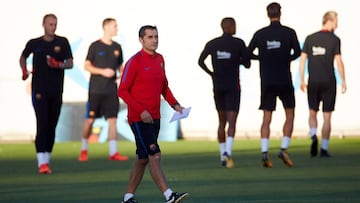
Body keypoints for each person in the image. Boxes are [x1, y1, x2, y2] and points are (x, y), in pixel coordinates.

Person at [118, 25, 188, 203]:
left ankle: (128, 197)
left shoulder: (160, 59)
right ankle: (169, 195)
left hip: (155, 117)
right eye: (150, 37)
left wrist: (175, 104)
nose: (154, 40)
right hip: (138, 119)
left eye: (156, 36)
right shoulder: (134, 62)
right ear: (141, 40)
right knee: (154, 155)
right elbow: (123, 91)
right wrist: (141, 111)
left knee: (142, 159)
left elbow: (164, 86)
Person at [247, 2, 301, 168]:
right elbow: (298, 52)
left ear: (267, 14)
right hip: (285, 78)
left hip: (267, 80)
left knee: (266, 117)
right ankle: (283, 148)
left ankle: (264, 152)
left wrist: (264, 57)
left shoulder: (260, 34)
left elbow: (248, 54)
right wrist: (285, 58)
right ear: (280, 13)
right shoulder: (289, 32)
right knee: (290, 114)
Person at [19, 13, 73, 174]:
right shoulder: (35, 43)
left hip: (56, 90)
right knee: (42, 123)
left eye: (55, 24)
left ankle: (46, 160)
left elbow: (70, 63)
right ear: (44, 25)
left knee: (52, 125)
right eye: (50, 24)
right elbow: (23, 57)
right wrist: (24, 70)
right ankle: (41, 162)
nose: (53, 27)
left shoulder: (62, 42)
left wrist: (59, 65)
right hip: (39, 90)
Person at [198, 17, 250, 168]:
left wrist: (211, 73)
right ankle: (228, 151)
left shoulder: (213, 43)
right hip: (233, 86)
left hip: (218, 85)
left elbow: (200, 61)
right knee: (232, 121)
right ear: (231, 26)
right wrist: (237, 59)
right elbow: (247, 63)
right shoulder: (238, 43)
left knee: (221, 121)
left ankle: (222, 155)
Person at [78, 18, 128, 162]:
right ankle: (83, 149)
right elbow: (87, 66)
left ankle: (113, 152)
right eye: (114, 25)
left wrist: (124, 76)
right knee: (90, 120)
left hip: (111, 90)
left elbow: (120, 67)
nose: (117, 28)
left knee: (113, 120)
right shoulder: (95, 46)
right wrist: (102, 71)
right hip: (96, 90)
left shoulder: (117, 47)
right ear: (106, 27)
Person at [299, 11, 347, 158]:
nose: (337, 24)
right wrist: (344, 80)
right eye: (336, 21)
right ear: (330, 21)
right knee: (327, 116)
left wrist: (301, 79)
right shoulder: (335, 40)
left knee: (312, 112)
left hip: (313, 81)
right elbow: (338, 62)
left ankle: (313, 135)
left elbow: (302, 61)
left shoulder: (310, 38)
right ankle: (324, 149)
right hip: (329, 82)